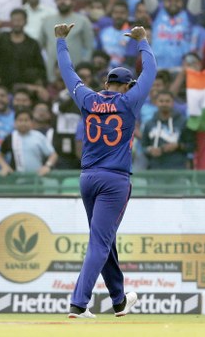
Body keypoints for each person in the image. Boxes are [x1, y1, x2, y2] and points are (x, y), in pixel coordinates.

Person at [57, 22, 156, 319]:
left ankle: (119, 300)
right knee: (100, 241)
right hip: (115, 180)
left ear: (106, 84)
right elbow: (149, 73)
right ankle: (78, 303)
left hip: (87, 178)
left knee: (105, 239)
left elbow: (68, 73)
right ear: (126, 86)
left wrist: (61, 40)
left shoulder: (88, 99)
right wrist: (143, 41)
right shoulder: (129, 101)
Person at [0, 109, 58, 176]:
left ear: (32, 122)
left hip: (37, 179)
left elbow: (53, 155)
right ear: (15, 122)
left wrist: (47, 166)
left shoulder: (39, 136)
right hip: (16, 179)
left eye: (26, 120)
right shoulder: (11, 137)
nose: (23, 123)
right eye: (20, 120)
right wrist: (5, 166)